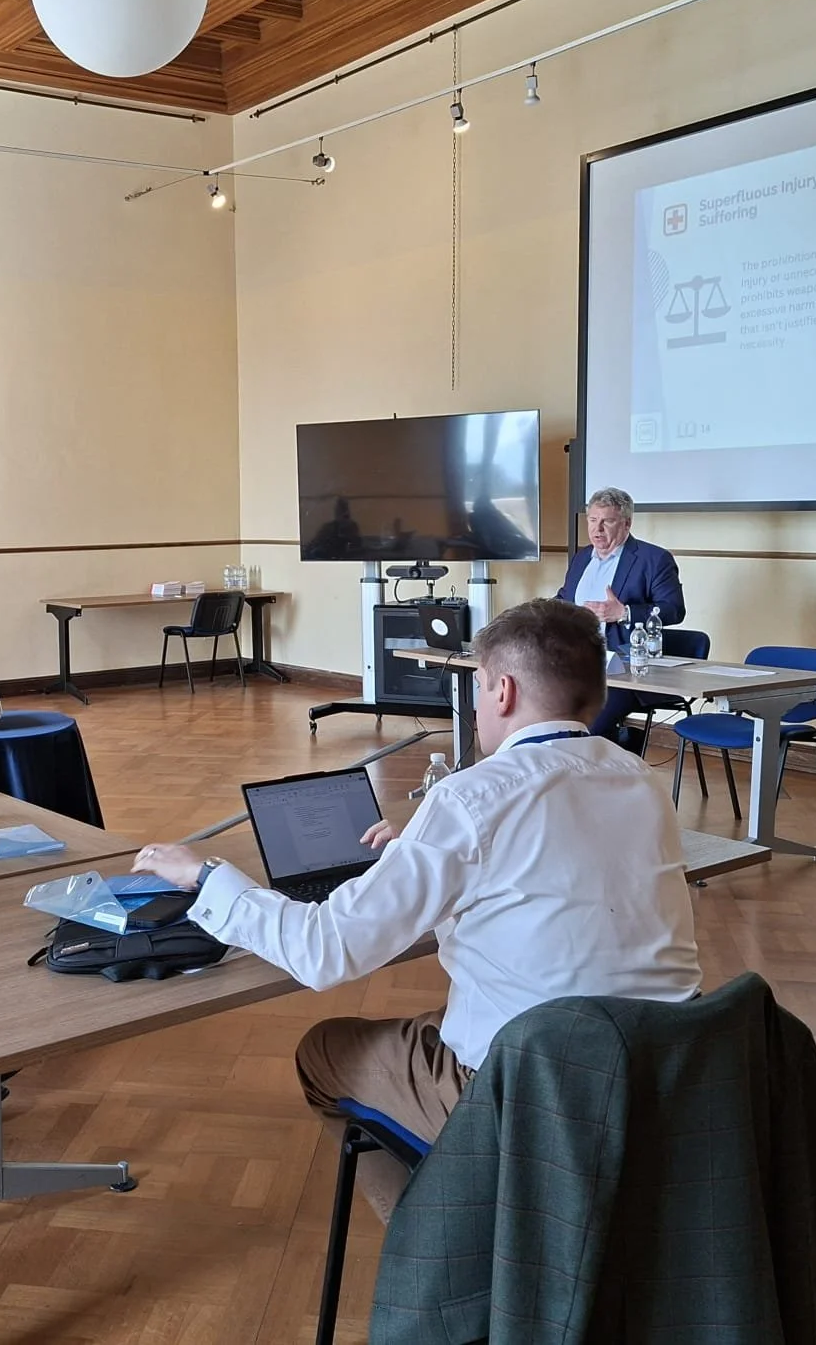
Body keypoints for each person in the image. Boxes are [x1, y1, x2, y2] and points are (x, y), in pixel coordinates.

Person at [133, 598, 700, 1218]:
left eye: (479, 686)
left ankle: (430, 1242)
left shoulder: (472, 797)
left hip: (535, 1095)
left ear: (503, 691)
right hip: (666, 1071)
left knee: (323, 1052)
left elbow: (325, 951)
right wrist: (421, 855)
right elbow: (558, 866)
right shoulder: (641, 779)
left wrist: (207, 877)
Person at [556, 487, 686, 750]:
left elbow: (673, 609)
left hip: (625, 670)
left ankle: (602, 765)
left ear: (626, 524)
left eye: (607, 521)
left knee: (584, 726)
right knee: (541, 715)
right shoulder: (582, 558)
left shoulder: (653, 559)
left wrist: (625, 613)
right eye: (593, 520)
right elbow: (563, 599)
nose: (597, 529)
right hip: (575, 662)